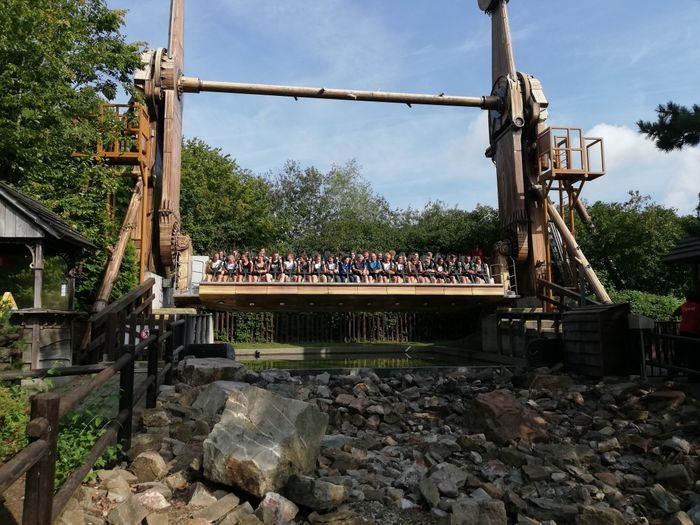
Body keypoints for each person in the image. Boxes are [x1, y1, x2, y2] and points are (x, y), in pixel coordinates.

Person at [673, 290, 700, 380]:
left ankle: (672, 374)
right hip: (694, 332)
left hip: (683, 331)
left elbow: (674, 313)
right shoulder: (698, 306)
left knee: (679, 354)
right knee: (693, 355)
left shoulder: (684, 306)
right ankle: (693, 377)